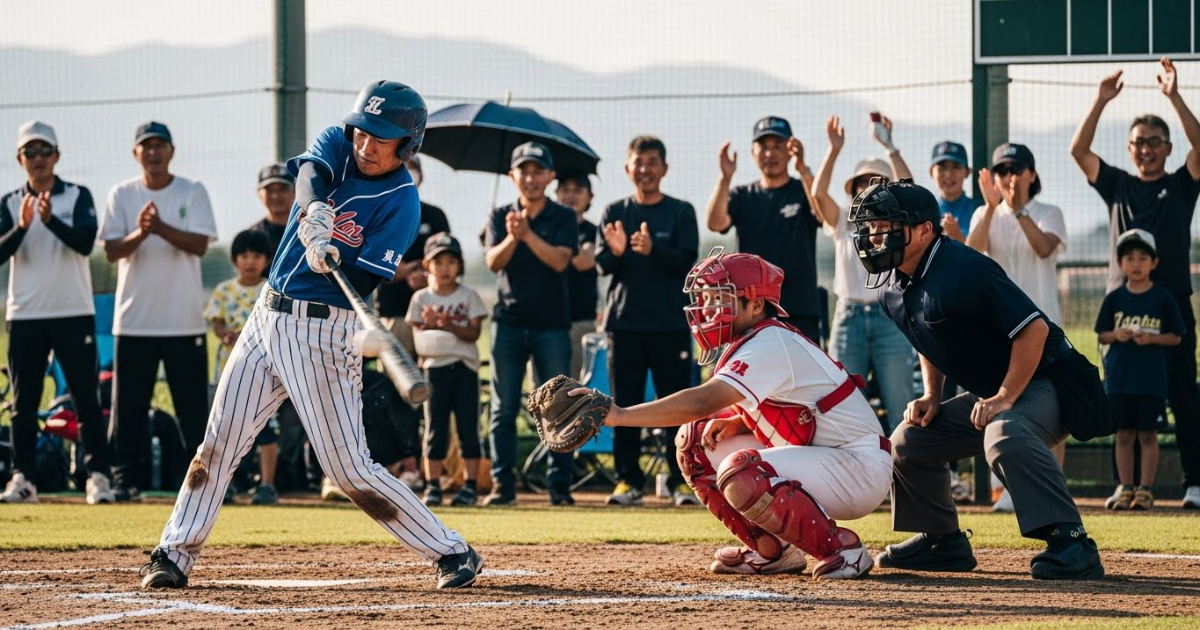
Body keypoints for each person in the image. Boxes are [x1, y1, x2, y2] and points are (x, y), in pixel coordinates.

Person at [140, 81, 483, 591]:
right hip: (266, 317)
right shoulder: (339, 143)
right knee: (218, 443)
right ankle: (173, 553)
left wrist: (331, 258)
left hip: (322, 330)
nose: (366, 145)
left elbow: (363, 282)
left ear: (408, 144)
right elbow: (308, 174)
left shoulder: (402, 203)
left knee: (347, 468)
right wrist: (315, 211)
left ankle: (452, 550)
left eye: (382, 138)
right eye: (363, 131)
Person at [849, 179, 1105, 580]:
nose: (875, 235)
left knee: (1005, 433)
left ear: (924, 230)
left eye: (887, 225)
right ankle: (943, 542)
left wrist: (1004, 396)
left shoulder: (965, 268)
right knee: (908, 440)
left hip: (1052, 381)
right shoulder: (892, 288)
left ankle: (1072, 542)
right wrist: (932, 395)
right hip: (1000, 391)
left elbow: (1033, 330)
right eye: (872, 226)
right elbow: (928, 334)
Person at [585, 250, 885, 577]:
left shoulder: (769, 341)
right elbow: (799, 407)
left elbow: (702, 401)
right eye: (708, 299)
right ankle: (775, 551)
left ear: (756, 305)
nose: (710, 310)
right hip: (828, 457)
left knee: (741, 470)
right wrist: (740, 420)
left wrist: (618, 415)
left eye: (721, 300)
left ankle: (843, 548)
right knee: (695, 442)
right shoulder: (756, 339)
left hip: (859, 468)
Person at [1070, 57, 1200, 509]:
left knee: (1184, 395)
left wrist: (1175, 96)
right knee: (1121, 401)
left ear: (1167, 147)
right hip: (1122, 310)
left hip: (1173, 306)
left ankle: (1194, 483)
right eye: (1138, 143)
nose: (1145, 149)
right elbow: (1079, 152)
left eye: (1153, 142)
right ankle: (1124, 487)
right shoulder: (1118, 185)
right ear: (1129, 149)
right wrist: (1100, 100)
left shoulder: (1183, 185)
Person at [101, 121, 217, 502]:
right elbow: (112, 251)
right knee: (128, 409)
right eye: (145, 146)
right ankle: (124, 480)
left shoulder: (192, 190)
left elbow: (199, 244)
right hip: (134, 322)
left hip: (183, 321)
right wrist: (141, 232)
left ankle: (202, 484)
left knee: (192, 410)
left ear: (172, 151)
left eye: (159, 145)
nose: (153, 152)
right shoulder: (122, 194)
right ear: (136, 153)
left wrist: (159, 226)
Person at [0, 121, 114, 505]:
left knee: (85, 396)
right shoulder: (10, 202)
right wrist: (23, 227)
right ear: (20, 159)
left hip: (73, 312)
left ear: (57, 156)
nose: (37, 159)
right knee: (23, 402)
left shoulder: (77, 196)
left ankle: (97, 475)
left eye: (44, 151)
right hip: (24, 315)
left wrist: (49, 221)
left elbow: (84, 244)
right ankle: (24, 478)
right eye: (29, 153)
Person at [597, 136, 699, 507]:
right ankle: (628, 480)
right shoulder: (613, 213)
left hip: (670, 324)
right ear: (627, 169)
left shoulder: (681, 212)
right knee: (624, 405)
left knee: (679, 405)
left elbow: (687, 262)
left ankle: (682, 479)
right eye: (638, 163)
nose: (645, 170)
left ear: (664, 169)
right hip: (624, 325)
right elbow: (602, 265)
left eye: (652, 162)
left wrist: (653, 251)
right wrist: (619, 253)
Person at [967, 143, 1069, 512]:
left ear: (1032, 175)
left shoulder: (1048, 212)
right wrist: (993, 207)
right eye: (1002, 170)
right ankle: (1006, 489)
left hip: (1046, 331)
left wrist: (1019, 209)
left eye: (1016, 169)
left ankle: (1054, 491)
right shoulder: (984, 212)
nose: (1009, 177)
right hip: (997, 334)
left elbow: (1043, 249)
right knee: (1001, 405)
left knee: (1056, 409)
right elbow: (973, 250)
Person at [483, 141, 577, 507]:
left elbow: (559, 261)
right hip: (507, 322)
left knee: (558, 406)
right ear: (512, 176)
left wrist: (527, 235)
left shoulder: (564, 217)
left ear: (550, 176)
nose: (531, 177)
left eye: (539, 170)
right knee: (503, 408)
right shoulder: (499, 215)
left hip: (551, 325)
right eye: (524, 170)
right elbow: (493, 262)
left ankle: (560, 487)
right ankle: (502, 486)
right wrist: (512, 235)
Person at [809, 113, 915, 433]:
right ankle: (855, 480)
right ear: (852, 189)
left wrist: (889, 147)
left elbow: (910, 188)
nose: (869, 188)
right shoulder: (844, 221)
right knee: (843, 410)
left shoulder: (899, 224)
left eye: (878, 182)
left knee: (902, 407)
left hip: (891, 317)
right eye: (862, 182)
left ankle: (905, 479)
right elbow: (817, 194)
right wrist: (833, 150)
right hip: (849, 317)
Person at [705, 116, 822, 340]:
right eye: (763, 147)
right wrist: (724, 179)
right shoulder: (742, 195)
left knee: (803, 375)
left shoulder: (804, 191)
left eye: (777, 146)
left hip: (800, 308)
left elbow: (823, 215)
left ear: (790, 150)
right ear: (753, 152)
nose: (770, 154)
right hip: (753, 310)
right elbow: (715, 223)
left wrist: (804, 169)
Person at [376, 155, 451, 489]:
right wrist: (405, 272)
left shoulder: (434, 215)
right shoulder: (379, 210)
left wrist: (429, 276)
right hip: (393, 317)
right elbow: (369, 261)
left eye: (413, 168)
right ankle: (402, 462)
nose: (409, 174)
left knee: (435, 391)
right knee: (395, 392)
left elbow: (449, 259)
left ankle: (434, 467)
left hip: (433, 317)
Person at [1095, 230, 1183, 511]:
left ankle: (1145, 489)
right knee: (1123, 435)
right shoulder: (1114, 298)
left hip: (1150, 381)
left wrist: (1152, 338)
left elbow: (1176, 336)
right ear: (1120, 263)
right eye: (1129, 258)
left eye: (1143, 258)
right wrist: (1117, 334)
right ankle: (1125, 487)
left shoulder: (1163, 297)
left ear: (1154, 263)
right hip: (1119, 381)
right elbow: (1102, 335)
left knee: (1147, 435)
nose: (1136, 264)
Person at [406, 233, 486, 507]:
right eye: (438, 262)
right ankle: (433, 486)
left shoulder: (468, 295)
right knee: (435, 429)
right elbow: (420, 339)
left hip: (464, 368)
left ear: (459, 266)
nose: (445, 268)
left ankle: (470, 486)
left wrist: (445, 324)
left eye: (451, 261)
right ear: (427, 265)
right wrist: (433, 326)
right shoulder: (420, 298)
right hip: (433, 369)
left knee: (468, 428)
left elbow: (474, 333)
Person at [203, 229, 275, 505]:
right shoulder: (225, 290)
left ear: (267, 260)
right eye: (244, 256)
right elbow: (216, 321)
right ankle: (224, 484)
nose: (250, 262)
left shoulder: (271, 288)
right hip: (230, 369)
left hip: (266, 369)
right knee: (227, 427)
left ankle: (267, 484)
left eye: (256, 256)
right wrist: (224, 334)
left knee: (267, 428)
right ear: (235, 260)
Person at [556, 174, 599, 379]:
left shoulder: (593, 232)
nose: (570, 195)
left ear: (590, 196)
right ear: (555, 194)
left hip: (580, 322)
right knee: (543, 395)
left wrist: (565, 227)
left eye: (578, 190)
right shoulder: (544, 228)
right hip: (545, 322)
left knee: (577, 393)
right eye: (565, 189)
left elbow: (583, 261)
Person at [929, 141, 973, 242]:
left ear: (967, 172)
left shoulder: (979, 209)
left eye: (956, 167)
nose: (948, 174)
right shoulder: (925, 212)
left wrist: (958, 237)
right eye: (942, 168)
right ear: (931, 172)